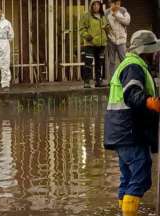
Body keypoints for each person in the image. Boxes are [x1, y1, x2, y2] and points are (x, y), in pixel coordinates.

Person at [104, 30, 160, 216]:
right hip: (129, 132)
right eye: (154, 51)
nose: (155, 55)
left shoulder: (128, 64)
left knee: (127, 177)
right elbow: (132, 94)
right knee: (140, 174)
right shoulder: (134, 66)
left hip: (121, 132)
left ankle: (124, 211)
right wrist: (151, 102)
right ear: (146, 51)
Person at [80, 0, 109, 88]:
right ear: (91, 6)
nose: (96, 6)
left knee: (99, 63)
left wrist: (107, 29)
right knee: (88, 63)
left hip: (101, 44)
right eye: (94, 5)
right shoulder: (86, 15)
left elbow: (107, 27)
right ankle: (87, 82)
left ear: (100, 6)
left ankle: (98, 81)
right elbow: (81, 29)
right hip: (90, 44)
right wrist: (87, 36)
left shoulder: (103, 16)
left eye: (98, 5)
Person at [105, 0, 131, 79]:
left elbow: (127, 21)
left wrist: (116, 15)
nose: (117, 6)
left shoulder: (123, 11)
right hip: (111, 40)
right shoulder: (106, 13)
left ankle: (126, 78)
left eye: (118, 4)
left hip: (121, 40)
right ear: (110, 4)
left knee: (123, 60)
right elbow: (104, 24)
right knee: (111, 61)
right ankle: (112, 80)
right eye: (115, 4)